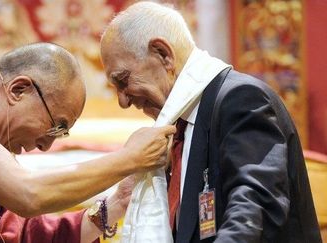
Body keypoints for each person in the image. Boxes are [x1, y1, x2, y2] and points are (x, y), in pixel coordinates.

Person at [0, 42, 176, 242]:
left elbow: (24, 234)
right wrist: (129, 158)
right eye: (55, 127)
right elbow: (29, 195)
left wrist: (118, 202)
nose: (45, 146)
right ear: (19, 89)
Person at [100, 2, 321, 243]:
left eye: (123, 80)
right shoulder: (178, 127)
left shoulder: (240, 99)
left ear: (163, 54)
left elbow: (255, 204)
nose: (123, 101)